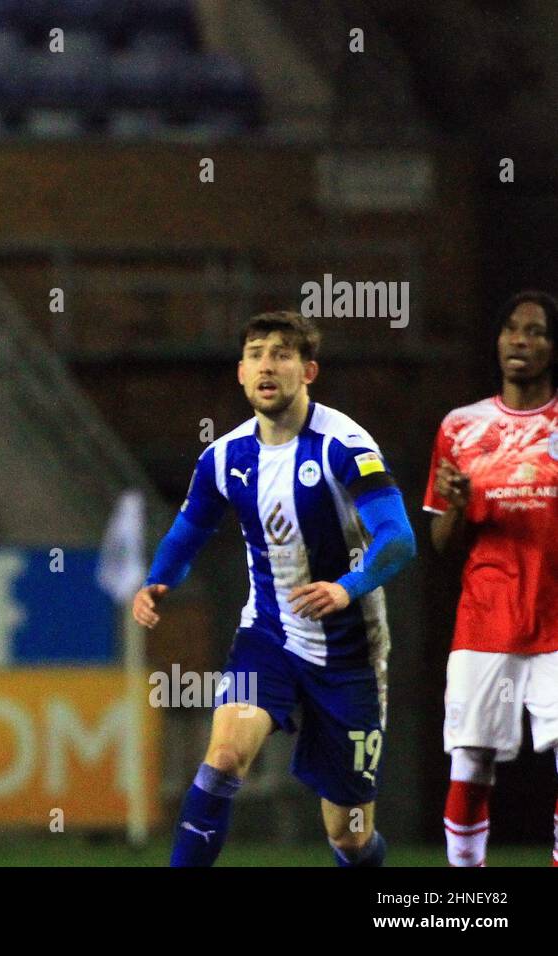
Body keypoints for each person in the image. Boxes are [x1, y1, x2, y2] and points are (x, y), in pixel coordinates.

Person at [132, 311, 416, 866]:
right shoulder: (225, 456)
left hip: (349, 651)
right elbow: (190, 530)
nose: (268, 364)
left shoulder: (344, 444)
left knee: (349, 836)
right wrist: (158, 580)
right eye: (257, 353)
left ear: (308, 371)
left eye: (282, 354)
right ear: (240, 372)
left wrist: (346, 588)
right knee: (221, 761)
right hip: (270, 636)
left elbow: (399, 537)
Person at [425, 290, 558, 867]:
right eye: (511, 328)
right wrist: (455, 505)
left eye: (536, 331)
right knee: (472, 760)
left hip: (555, 621)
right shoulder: (460, 427)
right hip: (485, 620)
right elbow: (440, 544)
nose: (520, 341)